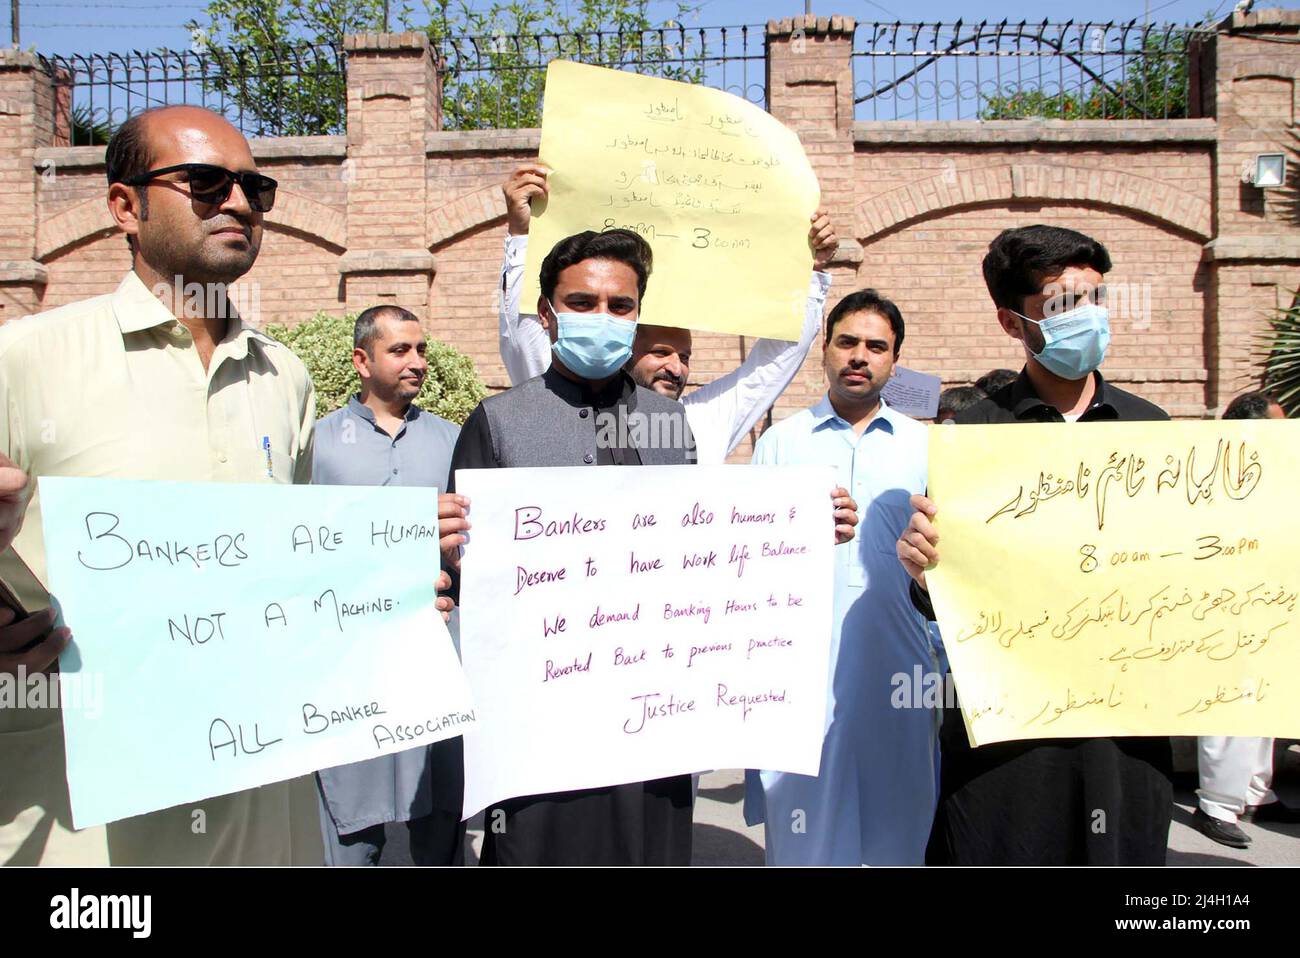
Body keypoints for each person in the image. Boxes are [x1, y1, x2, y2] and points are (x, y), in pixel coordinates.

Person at [0, 106, 459, 866]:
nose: (239, 202)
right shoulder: (24, 360)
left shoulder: (285, 376)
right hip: (94, 835)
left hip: (264, 818)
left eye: (256, 187)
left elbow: (292, 567)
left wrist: (387, 587)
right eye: (206, 183)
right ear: (125, 206)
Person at [450, 228, 857, 865]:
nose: (602, 318)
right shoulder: (500, 423)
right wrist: (439, 544)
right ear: (547, 314)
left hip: (656, 719)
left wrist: (797, 532)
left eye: (620, 306)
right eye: (582, 303)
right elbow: (464, 578)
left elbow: (699, 553)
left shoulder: (672, 424)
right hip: (540, 728)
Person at [896, 224, 1174, 865]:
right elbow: (948, 598)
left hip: (1125, 726)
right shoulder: (972, 437)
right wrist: (923, 575)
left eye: (1096, 298)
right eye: (1062, 305)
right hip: (1010, 739)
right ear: (1011, 322)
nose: (1088, 318)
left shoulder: (1154, 432)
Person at [744, 289, 936, 865]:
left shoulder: (927, 448)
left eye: (877, 347)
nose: (860, 356)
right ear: (824, 349)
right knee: (804, 830)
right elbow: (747, 559)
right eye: (847, 341)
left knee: (897, 829)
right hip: (797, 668)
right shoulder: (781, 442)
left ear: (894, 362)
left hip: (901, 667)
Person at [497, 164, 837, 464]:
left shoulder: (695, 422)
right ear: (624, 343)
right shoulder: (552, 409)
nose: (676, 368)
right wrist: (521, 234)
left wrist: (812, 271)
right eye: (660, 352)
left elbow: (771, 367)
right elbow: (524, 335)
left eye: (684, 357)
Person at [311, 305, 469, 866]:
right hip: (352, 660)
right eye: (400, 350)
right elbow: (301, 545)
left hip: (438, 651)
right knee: (353, 827)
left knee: (442, 813)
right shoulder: (319, 444)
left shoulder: (456, 441)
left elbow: (477, 548)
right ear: (361, 360)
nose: (417, 362)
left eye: (421, 350)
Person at [1193, 389, 1298, 848]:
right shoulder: (1215, 470)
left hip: (1270, 600)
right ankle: (1216, 804)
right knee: (1230, 701)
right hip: (1225, 603)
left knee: (1264, 699)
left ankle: (1256, 790)